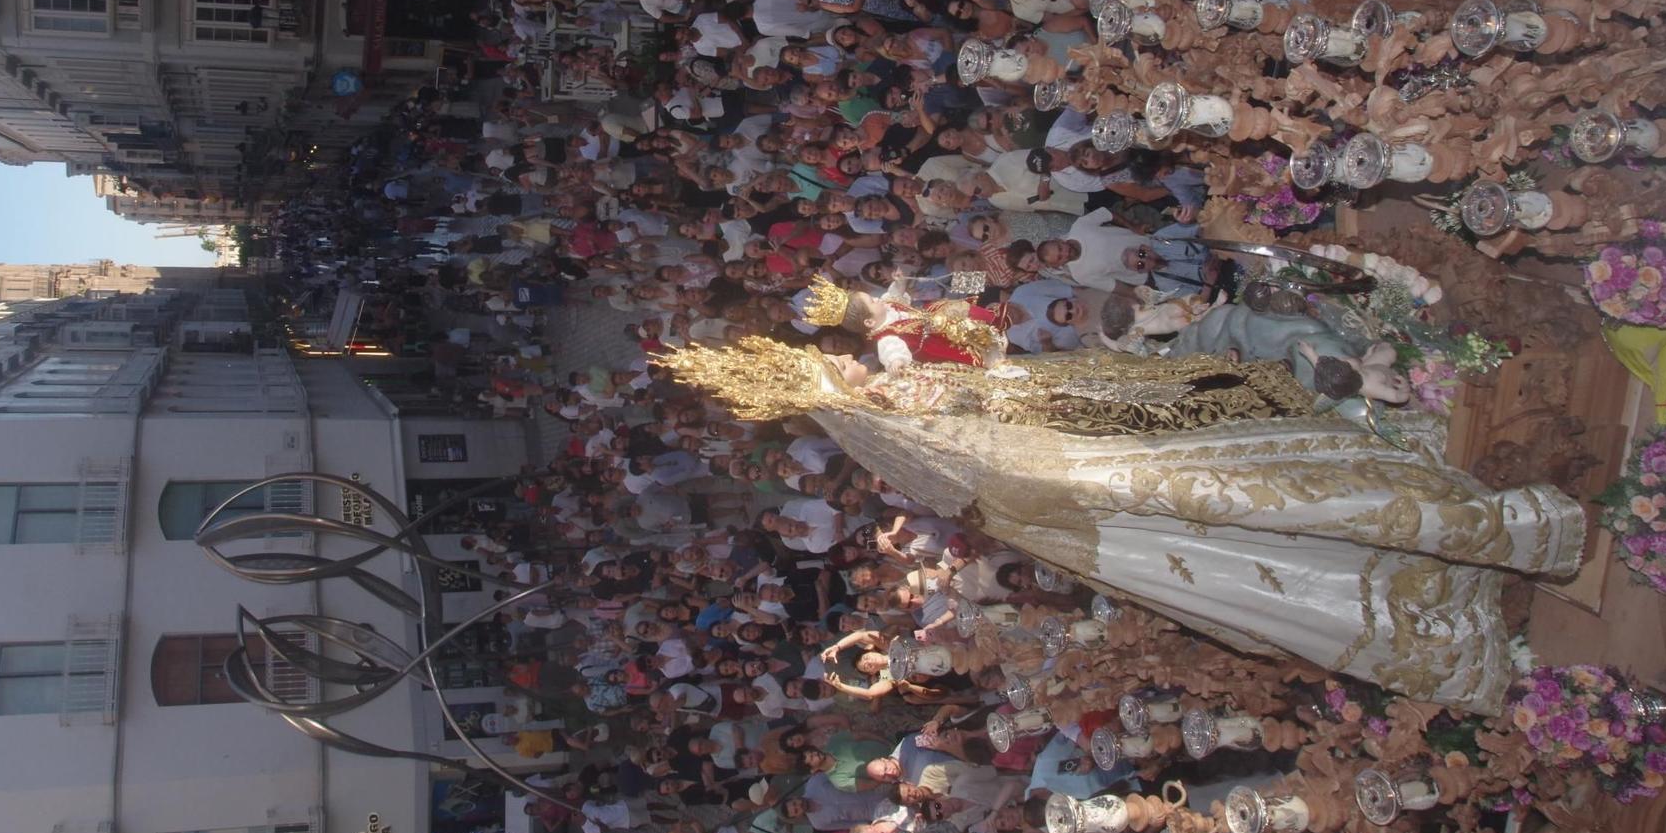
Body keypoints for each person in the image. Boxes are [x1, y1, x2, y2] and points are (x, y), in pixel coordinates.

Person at [662, 330, 1583, 714]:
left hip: (1093, 499)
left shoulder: (892, 426)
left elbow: (1000, 412)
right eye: (834, 368)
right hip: (1109, 486)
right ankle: (1475, 545)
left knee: (1290, 505)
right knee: (1283, 509)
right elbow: (1010, 457)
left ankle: (1464, 553)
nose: (850, 365)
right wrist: (1110, 452)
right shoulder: (898, 425)